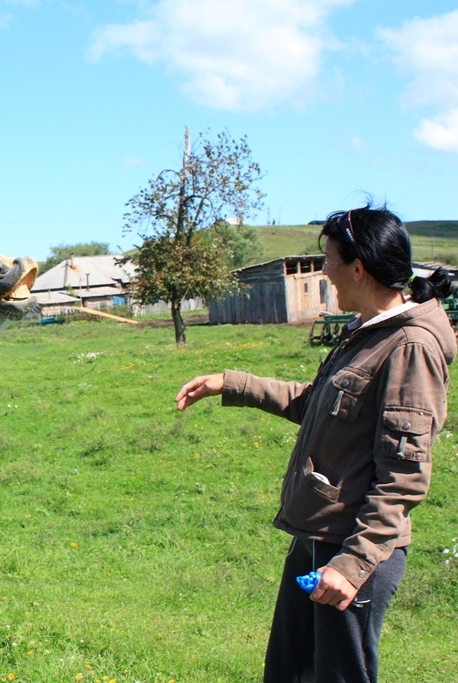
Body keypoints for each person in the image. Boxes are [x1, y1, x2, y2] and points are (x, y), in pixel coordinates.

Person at [175, 205, 456, 683]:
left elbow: (404, 476)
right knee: (289, 672)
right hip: (317, 538)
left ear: (358, 268)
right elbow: (316, 404)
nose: (323, 271)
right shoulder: (365, 333)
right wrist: (231, 383)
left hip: (350, 549)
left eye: (327, 260)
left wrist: (353, 563)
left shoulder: (409, 347)